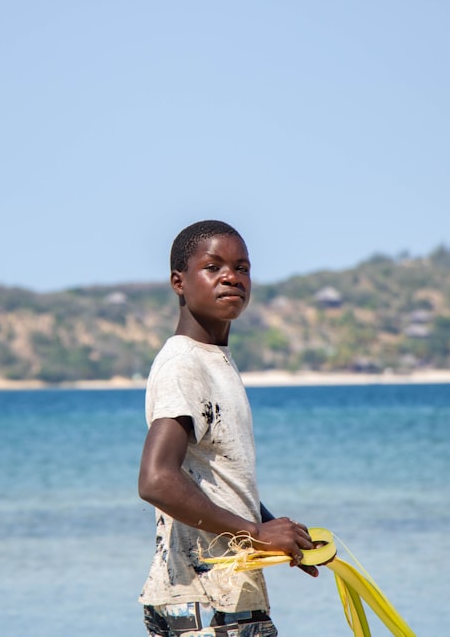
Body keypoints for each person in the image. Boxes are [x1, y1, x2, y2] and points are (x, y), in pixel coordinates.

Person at [138, 219, 317, 637]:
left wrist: (281, 534)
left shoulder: (214, 360)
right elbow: (156, 480)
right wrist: (255, 533)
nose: (231, 277)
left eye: (242, 268)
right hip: (204, 603)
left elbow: (213, 480)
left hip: (226, 594)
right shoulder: (184, 363)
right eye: (213, 267)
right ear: (178, 282)